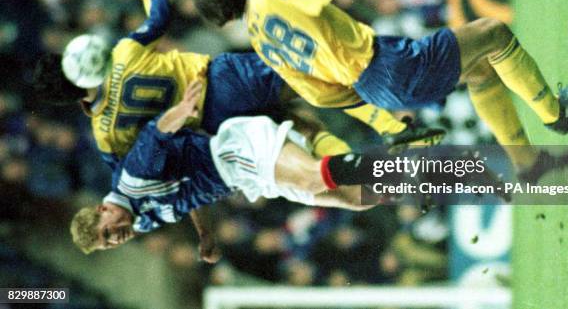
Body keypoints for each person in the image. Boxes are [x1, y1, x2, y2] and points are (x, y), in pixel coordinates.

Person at [194, 0, 568, 182]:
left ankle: (528, 164)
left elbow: (320, 96)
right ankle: (556, 114)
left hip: (375, 86)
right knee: (493, 33)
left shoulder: (262, 44)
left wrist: (382, 119)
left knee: (480, 69)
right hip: (387, 64)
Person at [33, 0, 443, 173]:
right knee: (313, 80)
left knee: (303, 129)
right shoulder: (123, 54)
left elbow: (130, 172)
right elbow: (159, 17)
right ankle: (399, 132)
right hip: (224, 79)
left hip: (214, 126)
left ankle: (367, 174)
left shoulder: (104, 133)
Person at [70, 79, 378, 261]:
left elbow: (155, 134)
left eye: (107, 233)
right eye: (107, 244)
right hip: (246, 178)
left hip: (233, 153)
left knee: (313, 178)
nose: (115, 239)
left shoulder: (133, 181)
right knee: (357, 200)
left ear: (103, 209)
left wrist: (181, 111)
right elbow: (182, 199)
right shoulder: (143, 222)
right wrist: (204, 233)